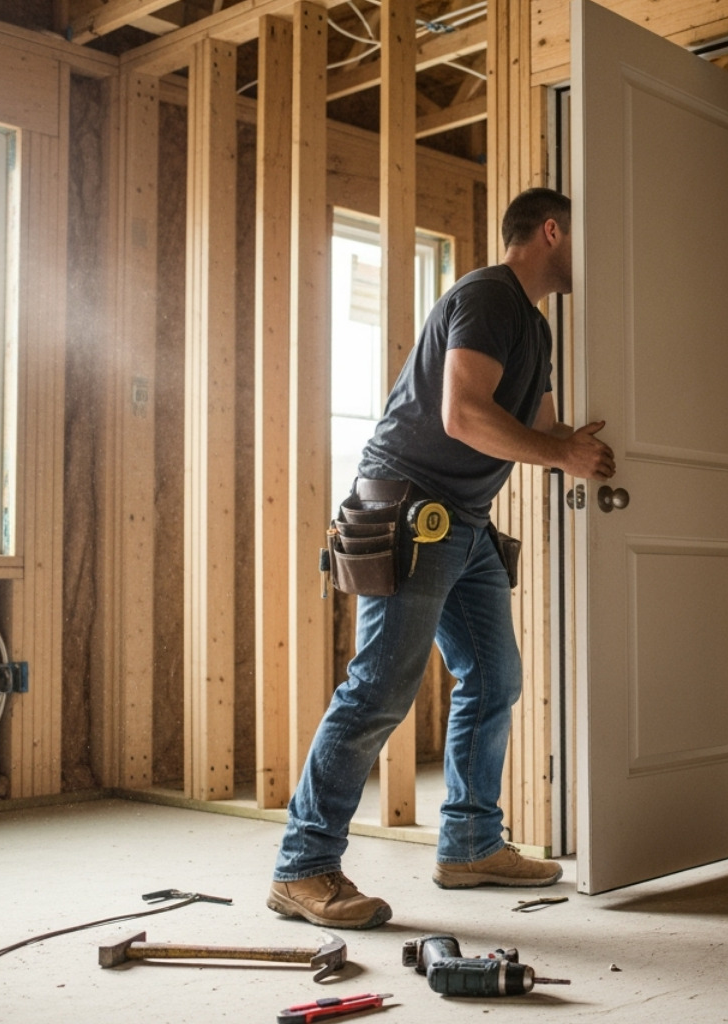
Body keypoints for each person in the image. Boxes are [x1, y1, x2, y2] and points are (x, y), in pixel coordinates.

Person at [267, 188, 615, 929]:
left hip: (463, 518)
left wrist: (572, 450)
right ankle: (302, 866)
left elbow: (541, 429)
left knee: (494, 676)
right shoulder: (489, 295)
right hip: (411, 508)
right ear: (552, 231)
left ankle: (469, 843)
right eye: (586, 235)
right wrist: (559, 452)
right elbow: (463, 414)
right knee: (379, 689)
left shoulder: (535, 327)